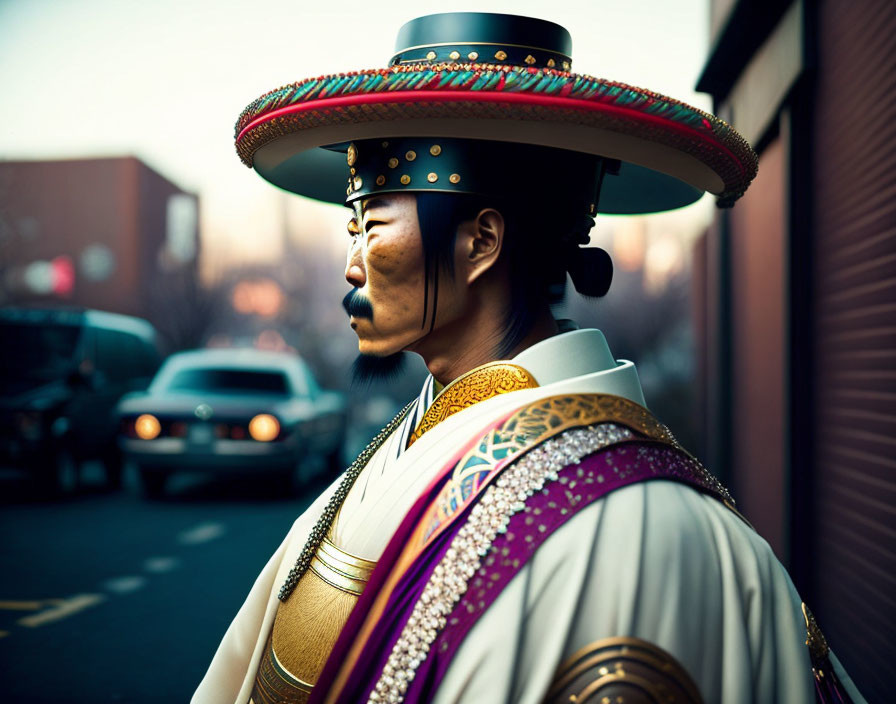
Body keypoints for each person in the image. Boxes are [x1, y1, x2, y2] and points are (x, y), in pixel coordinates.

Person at [194, 12, 865, 704]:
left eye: (373, 225)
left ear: (481, 242)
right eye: (351, 228)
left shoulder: (634, 535)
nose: (352, 266)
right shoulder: (407, 441)